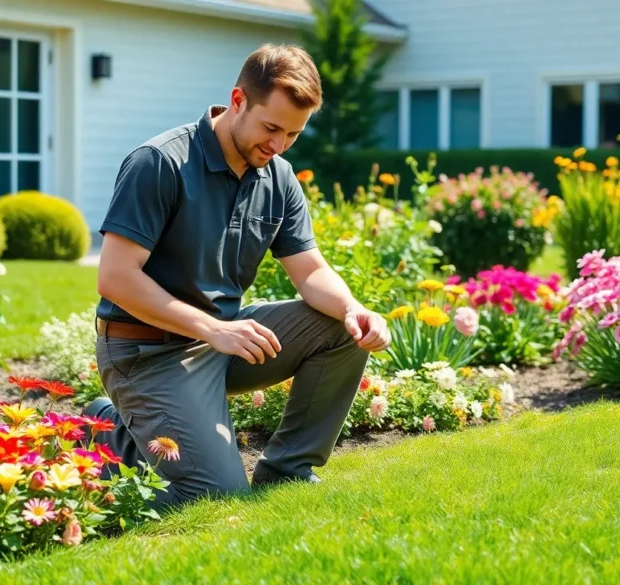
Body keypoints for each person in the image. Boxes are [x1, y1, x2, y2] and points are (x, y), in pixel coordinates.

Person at [84, 43, 391, 510]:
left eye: (293, 134)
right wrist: (213, 328)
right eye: (271, 128)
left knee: (341, 327)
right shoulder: (161, 162)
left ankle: (287, 470)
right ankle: (106, 429)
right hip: (148, 351)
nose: (278, 145)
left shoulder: (279, 177)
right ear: (238, 100)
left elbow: (310, 272)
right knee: (213, 496)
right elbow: (116, 278)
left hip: (223, 342)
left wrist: (355, 310)